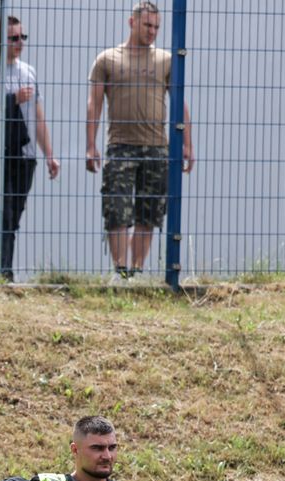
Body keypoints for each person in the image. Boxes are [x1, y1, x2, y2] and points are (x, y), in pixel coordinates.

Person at [86, 2, 191, 280]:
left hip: (157, 148)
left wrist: (187, 145)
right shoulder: (107, 59)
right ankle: (121, 272)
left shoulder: (166, 61)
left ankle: (136, 272)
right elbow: (94, 104)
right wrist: (90, 144)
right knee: (117, 211)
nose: (152, 32)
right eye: (147, 25)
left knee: (149, 214)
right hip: (120, 146)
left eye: (156, 27)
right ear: (132, 22)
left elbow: (180, 103)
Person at [0, 15, 58, 281]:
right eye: (14, 38)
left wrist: (49, 154)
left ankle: (3, 268)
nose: (20, 43)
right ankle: (2, 272)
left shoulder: (28, 72)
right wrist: (10, 99)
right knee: (1, 212)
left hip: (25, 153)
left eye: (23, 37)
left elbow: (38, 116)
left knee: (14, 216)